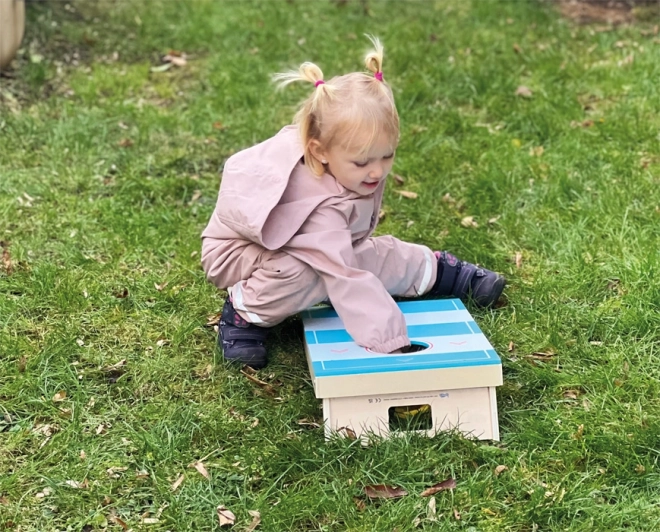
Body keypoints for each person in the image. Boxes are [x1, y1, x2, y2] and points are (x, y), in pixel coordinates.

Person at [201, 37, 505, 369]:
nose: (376, 170)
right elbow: (343, 275)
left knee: (370, 256)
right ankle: (245, 313)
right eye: (362, 163)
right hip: (241, 254)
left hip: (315, 243)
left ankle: (440, 272)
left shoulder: (345, 156)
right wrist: (391, 342)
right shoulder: (317, 204)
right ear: (320, 152)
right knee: (305, 272)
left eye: (386, 156)